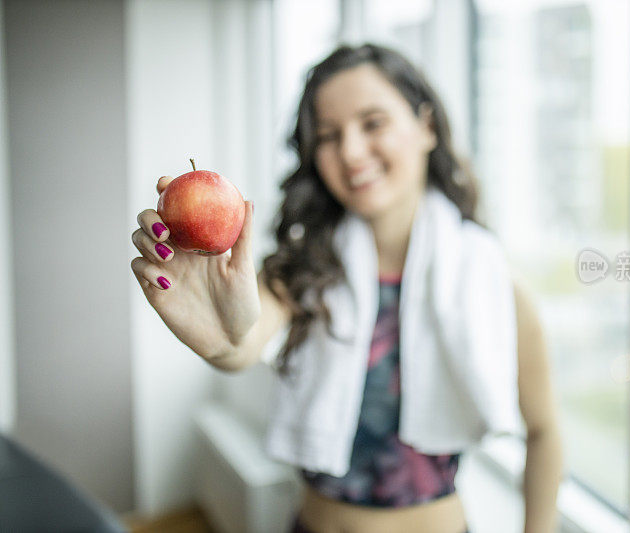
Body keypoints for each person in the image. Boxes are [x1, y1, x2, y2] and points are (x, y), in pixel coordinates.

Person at [131, 44, 562, 533]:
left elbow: (544, 430)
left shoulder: (490, 282)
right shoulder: (304, 268)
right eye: (329, 136)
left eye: (373, 123)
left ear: (426, 127)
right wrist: (219, 340)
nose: (351, 151)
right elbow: (241, 341)